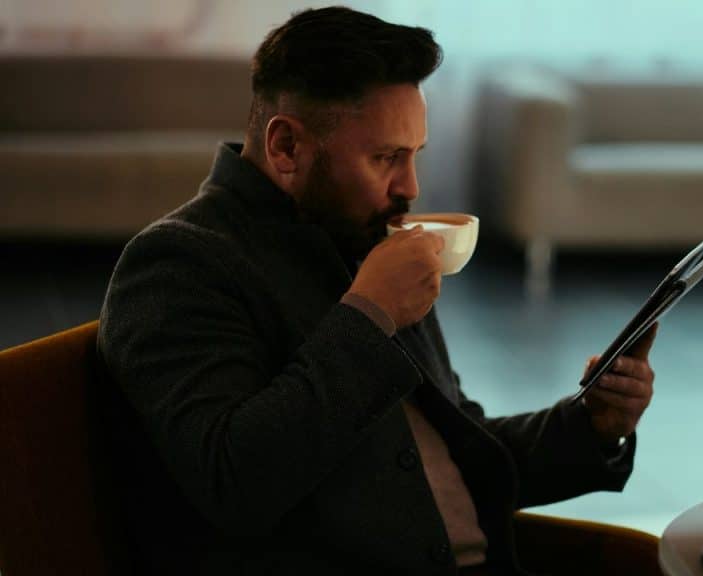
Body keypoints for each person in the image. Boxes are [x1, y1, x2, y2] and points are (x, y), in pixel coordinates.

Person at [98, 6, 657, 575]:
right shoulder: (178, 264)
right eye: (386, 157)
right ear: (287, 148)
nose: (411, 187)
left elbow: (457, 449)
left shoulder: (361, 239)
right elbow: (234, 483)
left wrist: (590, 426)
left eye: (415, 154)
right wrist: (370, 315)